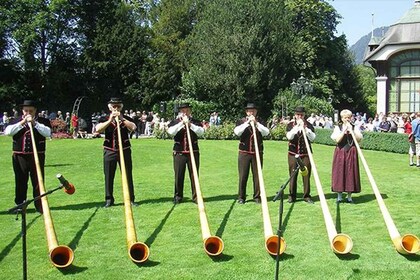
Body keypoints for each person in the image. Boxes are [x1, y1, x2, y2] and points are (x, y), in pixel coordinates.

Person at [4, 100, 51, 213]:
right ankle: (20, 205)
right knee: (20, 180)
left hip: (37, 156)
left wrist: (35, 124)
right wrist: (22, 122)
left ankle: (40, 205)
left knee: (38, 181)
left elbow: (48, 133)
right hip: (20, 156)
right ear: (22, 111)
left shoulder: (43, 121)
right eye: (26, 110)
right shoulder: (15, 121)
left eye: (31, 110)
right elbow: (8, 132)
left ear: (35, 111)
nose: (28, 112)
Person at [95, 97, 138, 207]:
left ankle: (130, 199)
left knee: (127, 174)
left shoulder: (126, 118)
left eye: (118, 106)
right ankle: (109, 199)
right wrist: (110, 120)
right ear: (109, 107)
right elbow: (98, 129)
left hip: (124, 150)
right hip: (110, 150)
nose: (116, 108)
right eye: (114, 106)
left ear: (121, 107)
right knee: (109, 175)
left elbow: (133, 127)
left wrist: (122, 119)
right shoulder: (104, 118)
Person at [167, 103, 204, 204]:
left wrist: (190, 125)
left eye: (187, 110)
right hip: (179, 152)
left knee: (194, 175)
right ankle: (178, 196)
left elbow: (201, 132)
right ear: (180, 112)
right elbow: (171, 132)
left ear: (190, 111)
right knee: (179, 175)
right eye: (183, 110)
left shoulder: (195, 121)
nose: (185, 112)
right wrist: (182, 124)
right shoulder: (174, 122)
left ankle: (196, 197)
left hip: (194, 152)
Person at [233, 102, 269, 204]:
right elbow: (237, 132)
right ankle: (241, 197)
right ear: (246, 112)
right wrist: (247, 123)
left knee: (257, 176)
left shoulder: (260, 121)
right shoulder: (241, 121)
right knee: (243, 175)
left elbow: (266, 132)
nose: (251, 112)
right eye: (249, 111)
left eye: (253, 111)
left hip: (258, 152)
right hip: (244, 153)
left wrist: (256, 124)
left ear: (256, 112)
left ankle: (257, 196)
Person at [330, 109, 363, 203]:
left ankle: (349, 196)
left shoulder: (354, 127)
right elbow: (337, 140)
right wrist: (344, 130)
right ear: (342, 118)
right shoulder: (338, 127)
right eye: (345, 118)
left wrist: (352, 131)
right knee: (339, 172)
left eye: (349, 117)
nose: (347, 119)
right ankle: (339, 196)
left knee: (350, 172)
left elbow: (359, 139)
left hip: (351, 151)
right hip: (340, 151)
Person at [285, 106, 316, 204]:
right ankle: (291, 195)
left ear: (304, 115)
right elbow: (289, 136)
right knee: (293, 174)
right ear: (295, 115)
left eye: (301, 115)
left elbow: (313, 138)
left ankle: (306, 195)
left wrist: (305, 129)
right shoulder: (290, 125)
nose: (300, 116)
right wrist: (296, 128)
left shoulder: (309, 125)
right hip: (293, 153)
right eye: (298, 114)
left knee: (306, 174)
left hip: (306, 154)